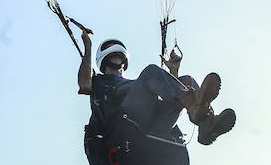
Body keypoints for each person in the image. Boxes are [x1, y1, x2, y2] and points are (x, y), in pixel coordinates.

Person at [77, 29, 236, 146]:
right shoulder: (99, 81)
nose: (116, 55)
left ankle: (207, 123)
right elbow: (84, 84)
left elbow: (170, 97)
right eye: (113, 54)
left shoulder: (135, 85)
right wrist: (88, 47)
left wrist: (173, 71)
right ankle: (198, 111)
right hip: (126, 121)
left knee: (187, 80)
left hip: (155, 124)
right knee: (151, 72)